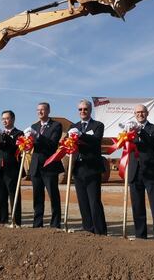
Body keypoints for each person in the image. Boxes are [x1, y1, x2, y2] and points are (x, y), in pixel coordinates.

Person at [127, 104, 154, 240]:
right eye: (137, 112)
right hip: (135, 171)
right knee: (137, 207)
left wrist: (139, 130)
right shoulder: (128, 130)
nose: (140, 114)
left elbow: (151, 143)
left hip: (152, 172)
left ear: (147, 113)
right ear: (134, 114)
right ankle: (140, 236)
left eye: (142, 112)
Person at [70, 100, 107, 235]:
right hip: (78, 168)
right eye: (80, 109)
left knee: (94, 201)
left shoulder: (98, 125)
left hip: (92, 168)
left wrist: (81, 135)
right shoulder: (73, 126)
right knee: (82, 201)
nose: (82, 112)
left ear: (90, 110)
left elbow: (96, 141)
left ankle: (100, 231)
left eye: (85, 109)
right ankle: (88, 229)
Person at [29, 102, 64, 228]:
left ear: (48, 111)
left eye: (42, 110)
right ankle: (37, 223)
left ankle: (55, 224)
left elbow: (52, 144)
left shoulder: (56, 125)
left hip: (49, 166)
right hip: (36, 166)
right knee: (37, 196)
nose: (40, 112)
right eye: (38, 110)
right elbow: (32, 145)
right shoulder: (34, 126)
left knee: (53, 196)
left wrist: (38, 136)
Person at [0, 110, 23, 225]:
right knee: (1, 196)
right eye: (3, 119)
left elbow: (14, 148)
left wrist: (4, 136)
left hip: (12, 169)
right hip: (0, 169)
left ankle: (16, 222)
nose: (4, 121)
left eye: (6, 118)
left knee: (13, 195)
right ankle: (2, 221)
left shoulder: (19, 133)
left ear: (13, 119)